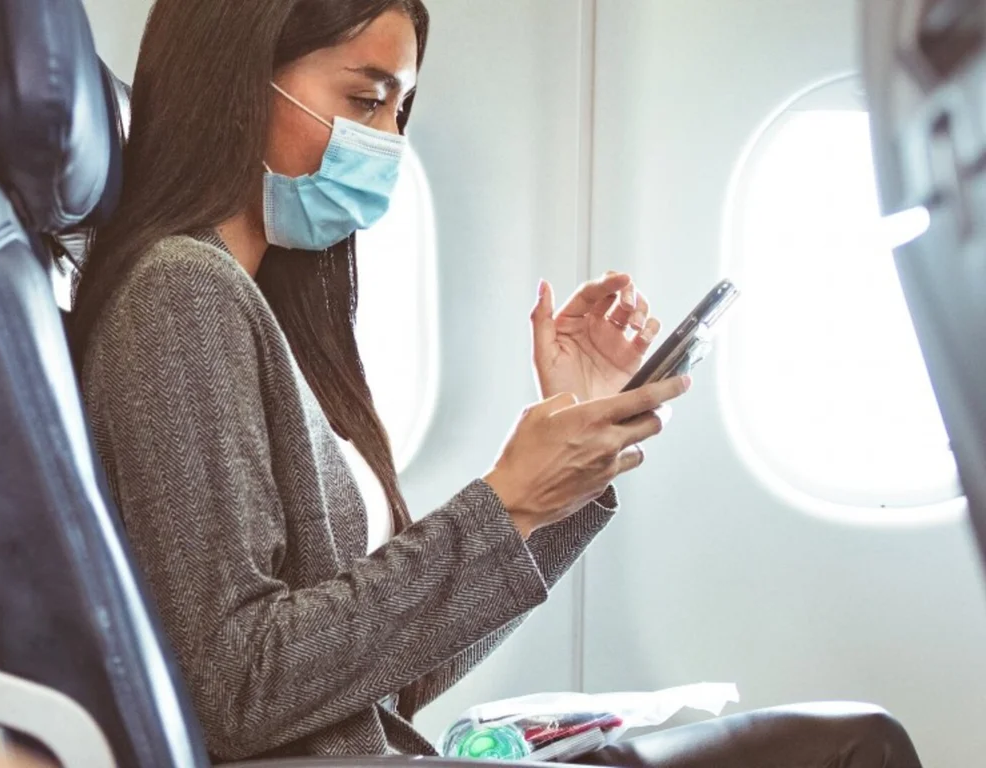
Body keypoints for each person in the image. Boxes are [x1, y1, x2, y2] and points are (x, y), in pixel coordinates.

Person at [68, 1, 925, 766]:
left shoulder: (267, 310)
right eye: (366, 100)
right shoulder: (180, 292)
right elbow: (240, 688)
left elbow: (380, 677)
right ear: (235, 81)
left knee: (855, 736)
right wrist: (506, 501)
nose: (391, 143)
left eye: (402, 111)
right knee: (858, 745)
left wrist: (557, 481)